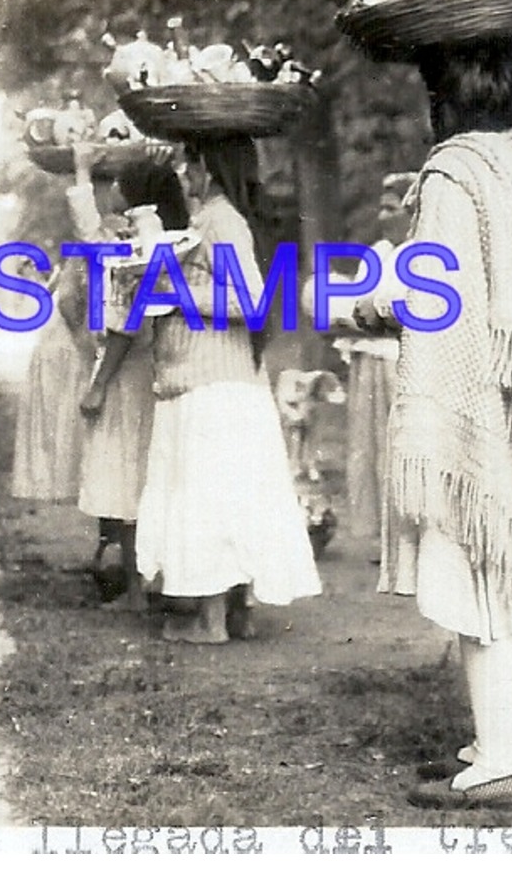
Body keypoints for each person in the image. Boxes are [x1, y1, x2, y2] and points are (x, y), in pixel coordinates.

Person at [360, 46, 512, 808]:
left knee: (482, 557)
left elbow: (439, 291)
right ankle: (495, 743)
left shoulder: (452, 176)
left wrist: (376, 307)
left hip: (477, 385)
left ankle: (498, 758)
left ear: (444, 106)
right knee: (510, 560)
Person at [135, 135, 324, 643]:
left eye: (189, 163)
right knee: (227, 499)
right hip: (212, 379)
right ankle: (234, 613)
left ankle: (212, 619)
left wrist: (176, 291)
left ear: (208, 167)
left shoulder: (221, 221)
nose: (183, 175)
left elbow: (250, 302)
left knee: (210, 500)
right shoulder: (212, 221)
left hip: (212, 382)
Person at [76, 148, 190, 612]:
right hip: (146, 368)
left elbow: (127, 320)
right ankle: (149, 583)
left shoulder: (140, 237)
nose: (113, 189)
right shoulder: (163, 230)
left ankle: (137, 593)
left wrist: (99, 381)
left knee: (126, 482)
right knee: (142, 477)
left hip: (126, 371)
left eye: (121, 182)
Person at [321, 171, 415, 558]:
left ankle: (412, 536)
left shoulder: (423, 253)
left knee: (401, 447)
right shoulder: (376, 254)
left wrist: (378, 319)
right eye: (380, 206)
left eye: (390, 207)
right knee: (370, 449)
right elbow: (356, 306)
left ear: (411, 212)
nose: (382, 215)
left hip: (401, 364)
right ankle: (384, 536)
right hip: (368, 361)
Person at [10, 146, 107, 508]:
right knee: (82, 440)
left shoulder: (88, 240)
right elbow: (68, 298)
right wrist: (87, 344)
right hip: (68, 343)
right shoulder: (93, 234)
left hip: (62, 339)